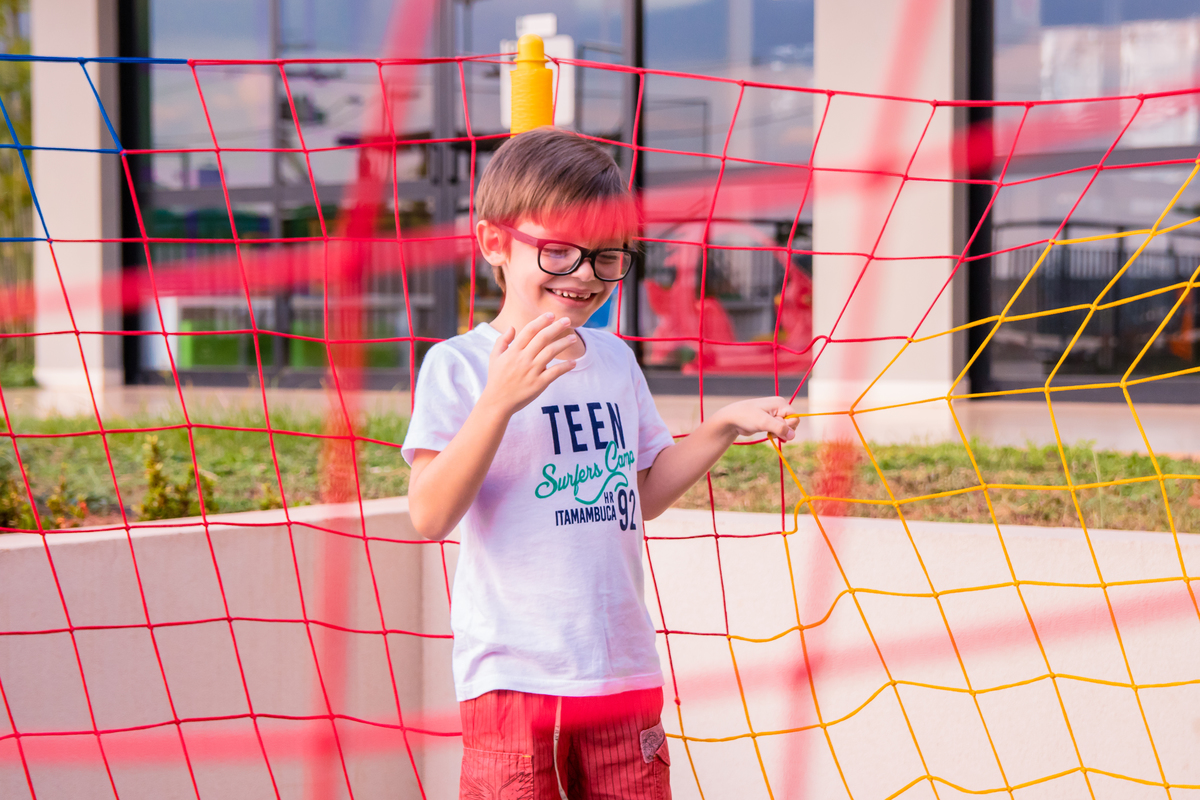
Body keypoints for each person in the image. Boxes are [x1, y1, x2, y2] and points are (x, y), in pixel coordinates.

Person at [402, 127, 798, 800]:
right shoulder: (461, 366)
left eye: (606, 256)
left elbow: (640, 494)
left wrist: (723, 426)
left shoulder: (613, 360)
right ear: (496, 243)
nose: (584, 274)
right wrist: (499, 401)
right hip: (516, 678)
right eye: (558, 252)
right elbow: (429, 514)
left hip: (621, 672)